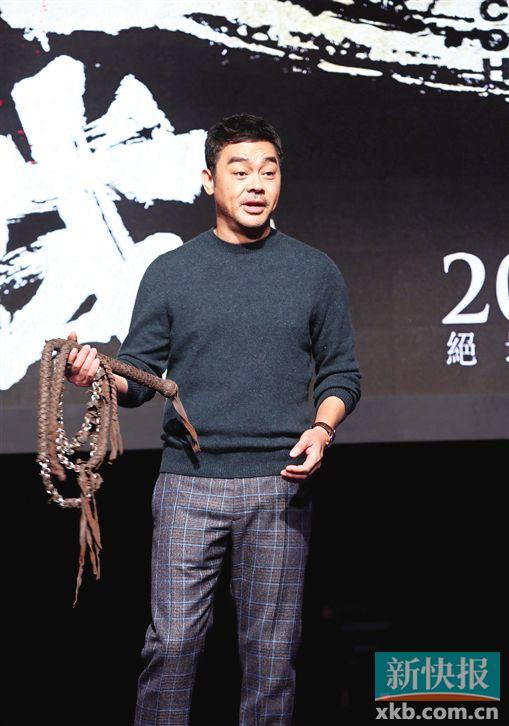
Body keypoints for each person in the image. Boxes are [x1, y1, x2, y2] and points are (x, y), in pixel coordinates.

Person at [65, 113, 362, 725]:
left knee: (272, 659)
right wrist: (95, 373)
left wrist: (323, 427)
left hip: (280, 484)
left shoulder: (314, 271)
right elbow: (137, 379)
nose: (256, 184)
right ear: (209, 180)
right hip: (188, 485)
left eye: (268, 171)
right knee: (171, 646)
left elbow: (341, 374)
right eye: (240, 170)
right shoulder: (172, 272)